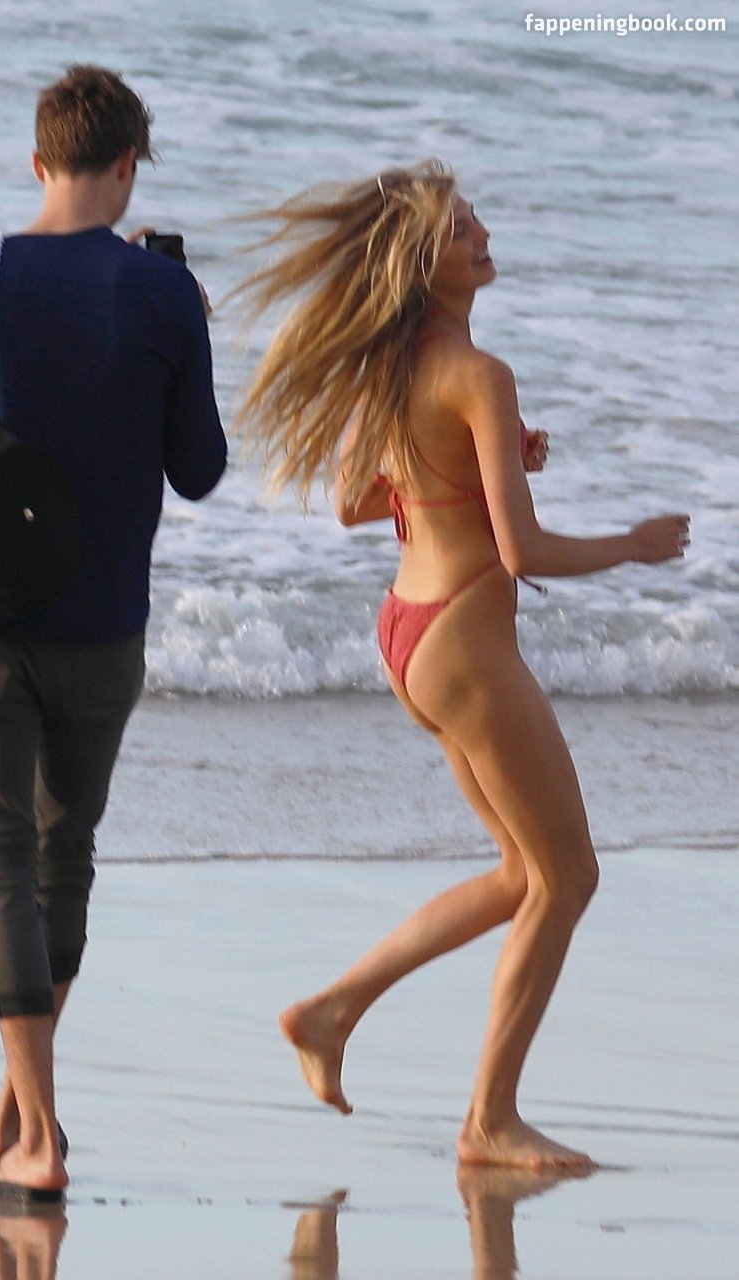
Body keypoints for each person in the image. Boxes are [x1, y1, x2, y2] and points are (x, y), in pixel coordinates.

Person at [236, 160, 689, 1170]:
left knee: (522, 874)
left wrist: (485, 465)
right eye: (458, 231)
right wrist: (633, 544)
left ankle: (331, 1009)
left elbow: (355, 501)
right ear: (419, 264)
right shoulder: (479, 375)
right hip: (466, 645)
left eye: (475, 220)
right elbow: (522, 554)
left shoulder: (392, 366)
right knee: (567, 878)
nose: (481, 235)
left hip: (409, 632)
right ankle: (488, 1120)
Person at [0, 64, 227, 1203]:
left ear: (38, 160)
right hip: (104, 630)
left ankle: (34, 1133)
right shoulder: (159, 294)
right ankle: (14, 1121)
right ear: (129, 165)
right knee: (62, 859)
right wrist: (174, 315)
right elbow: (198, 469)